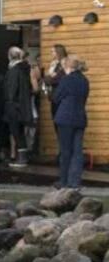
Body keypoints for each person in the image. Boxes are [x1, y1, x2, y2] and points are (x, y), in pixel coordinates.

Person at [53, 55, 89, 190]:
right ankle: (74, 182)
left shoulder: (66, 80)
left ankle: (63, 182)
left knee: (65, 150)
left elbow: (56, 98)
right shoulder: (85, 80)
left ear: (68, 66)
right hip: (80, 118)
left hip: (65, 117)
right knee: (77, 151)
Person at [2, 46, 34, 167]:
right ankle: (23, 157)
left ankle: (21, 159)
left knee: (16, 132)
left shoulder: (14, 71)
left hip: (14, 106)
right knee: (20, 132)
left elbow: (11, 90)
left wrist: (8, 101)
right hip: (23, 105)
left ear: (10, 56)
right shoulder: (25, 69)